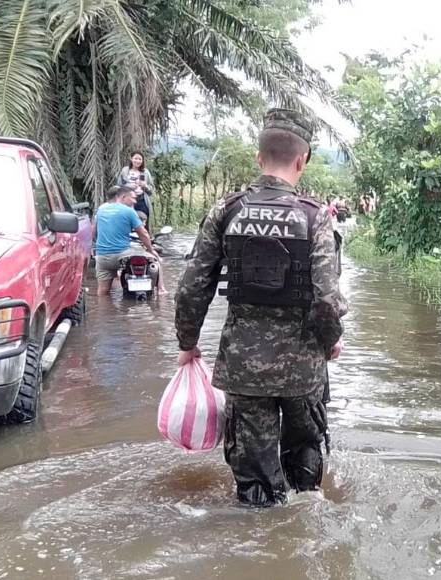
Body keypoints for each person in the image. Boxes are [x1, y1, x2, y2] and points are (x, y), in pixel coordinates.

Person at [175, 108, 347, 507]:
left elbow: (192, 287)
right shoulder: (315, 216)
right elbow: (326, 298)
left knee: (253, 473)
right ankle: (303, 521)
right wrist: (330, 341)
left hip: (243, 367)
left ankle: (261, 529)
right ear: (302, 160)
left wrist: (187, 343)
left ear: (258, 157)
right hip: (304, 368)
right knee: (304, 457)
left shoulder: (226, 211)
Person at [93, 185, 160, 296]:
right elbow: (143, 233)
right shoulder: (129, 211)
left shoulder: (101, 210)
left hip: (102, 256)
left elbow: (93, 231)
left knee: (103, 291)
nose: (134, 201)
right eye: (132, 198)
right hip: (122, 255)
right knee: (154, 262)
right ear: (123, 197)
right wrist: (151, 250)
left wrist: (93, 247)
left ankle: (103, 311)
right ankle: (160, 289)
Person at [117, 151, 155, 224]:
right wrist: (127, 186)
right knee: (126, 223)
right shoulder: (125, 170)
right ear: (131, 159)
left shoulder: (145, 172)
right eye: (135, 158)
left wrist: (145, 186)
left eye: (140, 159)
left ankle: (143, 235)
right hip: (126, 201)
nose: (137, 161)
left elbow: (152, 189)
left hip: (141, 201)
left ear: (142, 161)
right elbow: (118, 186)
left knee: (142, 223)